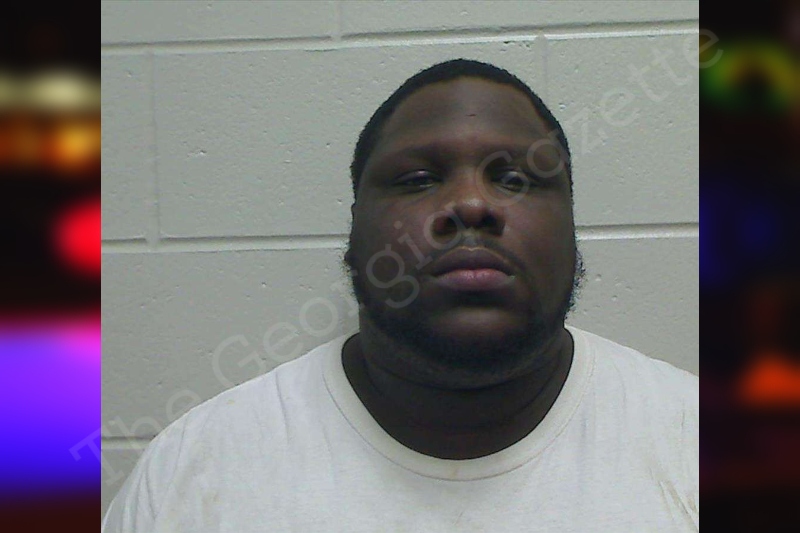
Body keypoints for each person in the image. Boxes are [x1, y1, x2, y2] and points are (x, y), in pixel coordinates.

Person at [102, 59, 698, 532]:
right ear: (355, 225)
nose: (471, 204)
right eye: (417, 180)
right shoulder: (192, 473)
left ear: (570, 222)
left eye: (515, 179)